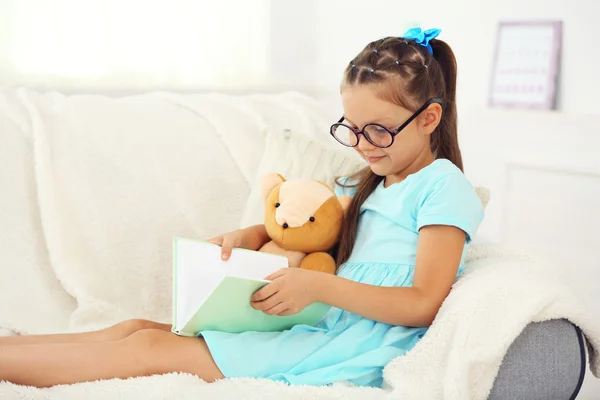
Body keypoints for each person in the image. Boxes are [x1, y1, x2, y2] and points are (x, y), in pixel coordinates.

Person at [0, 27, 484, 388]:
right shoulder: (376, 182)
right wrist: (252, 236)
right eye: (352, 130)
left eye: (378, 131)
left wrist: (320, 286)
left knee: (149, 347)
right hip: (328, 322)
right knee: (134, 328)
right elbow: (316, 228)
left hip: (355, 345)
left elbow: (424, 303)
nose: (363, 146)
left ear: (430, 119)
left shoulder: (442, 186)